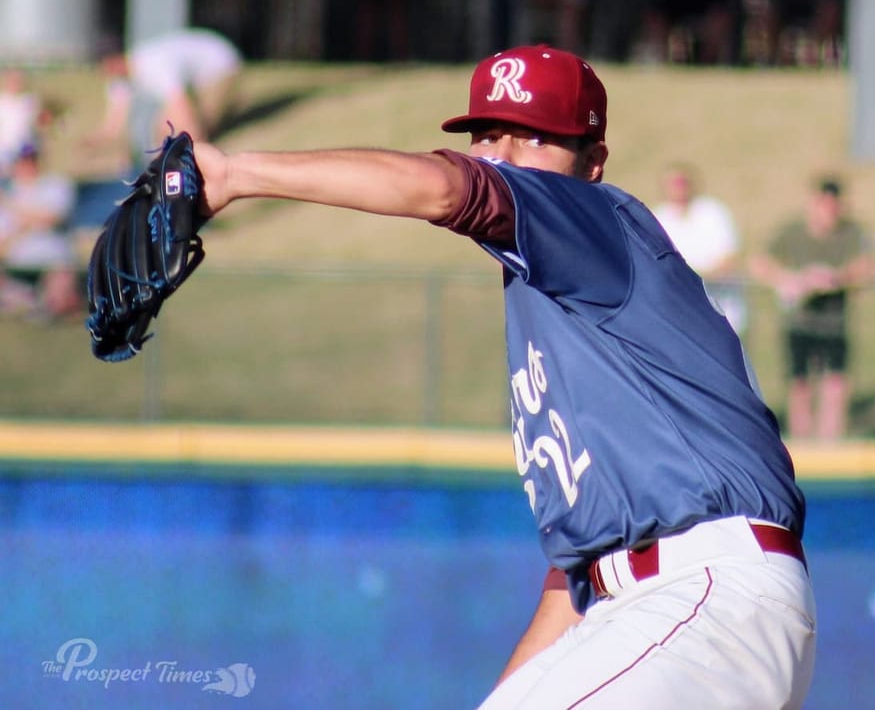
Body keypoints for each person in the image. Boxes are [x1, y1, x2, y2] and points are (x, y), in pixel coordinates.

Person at [191, 44, 815, 708]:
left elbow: (447, 190)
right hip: (639, 607)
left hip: (708, 591)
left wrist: (232, 172)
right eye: (488, 134)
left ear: (593, 163)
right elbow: (575, 583)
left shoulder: (601, 222)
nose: (508, 154)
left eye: (538, 136)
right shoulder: (563, 318)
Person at [750, 176, 874, 441]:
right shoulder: (793, 232)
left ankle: (831, 448)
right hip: (800, 323)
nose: (828, 211)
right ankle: (803, 449)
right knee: (800, 387)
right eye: (823, 204)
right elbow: (759, 262)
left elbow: (868, 265)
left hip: (834, 324)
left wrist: (836, 278)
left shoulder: (852, 233)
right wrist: (787, 280)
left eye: (834, 206)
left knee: (835, 387)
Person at [84, 28, 243, 168]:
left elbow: (182, 107)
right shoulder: (119, 80)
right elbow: (114, 124)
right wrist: (94, 143)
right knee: (164, 127)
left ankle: (200, 166)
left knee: (187, 124)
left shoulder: (154, 65)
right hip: (194, 80)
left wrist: (195, 141)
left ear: (112, 61)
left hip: (221, 64)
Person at [651, 160, 748, 335]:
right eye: (673, 184)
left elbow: (729, 259)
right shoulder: (659, 218)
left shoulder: (713, 213)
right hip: (680, 317)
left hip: (723, 311)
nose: (678, 188)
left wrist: (694, 280)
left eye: (682, 183)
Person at [0, 142, 81, 320]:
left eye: (32, 160)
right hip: (17, 263)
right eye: (23, 161)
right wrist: (28, 223)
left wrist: (13, 209)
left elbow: (52, 218)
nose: (29, 166)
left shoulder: (56, 185)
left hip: (52, 261)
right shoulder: (10, 192)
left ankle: (41, 303)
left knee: (60, 290)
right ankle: (30, 302)